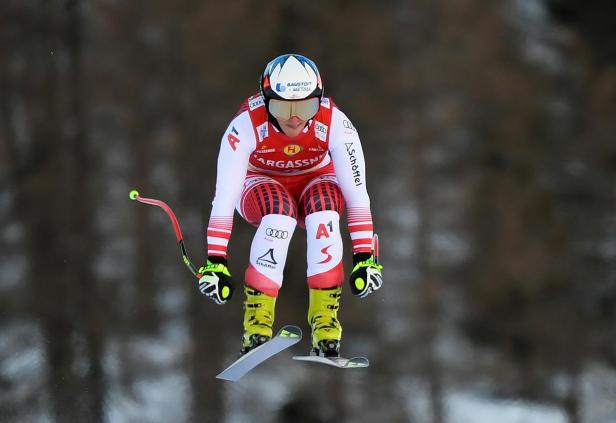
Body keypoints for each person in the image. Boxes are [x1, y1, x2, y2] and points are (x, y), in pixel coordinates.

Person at [197, 54, 383, 357]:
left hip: (314, 179)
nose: (295, 118)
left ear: (318, 101)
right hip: (259, 183)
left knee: (325, 209)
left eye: (306, 107)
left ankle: (325, 325)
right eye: (283, 108)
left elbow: (357, 194)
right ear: (266, 99)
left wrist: (364, 257)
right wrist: (216, 262)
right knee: (279, 214)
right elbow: (224, 198)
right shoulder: (245, 126)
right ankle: (256, 324)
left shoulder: (336, 122)